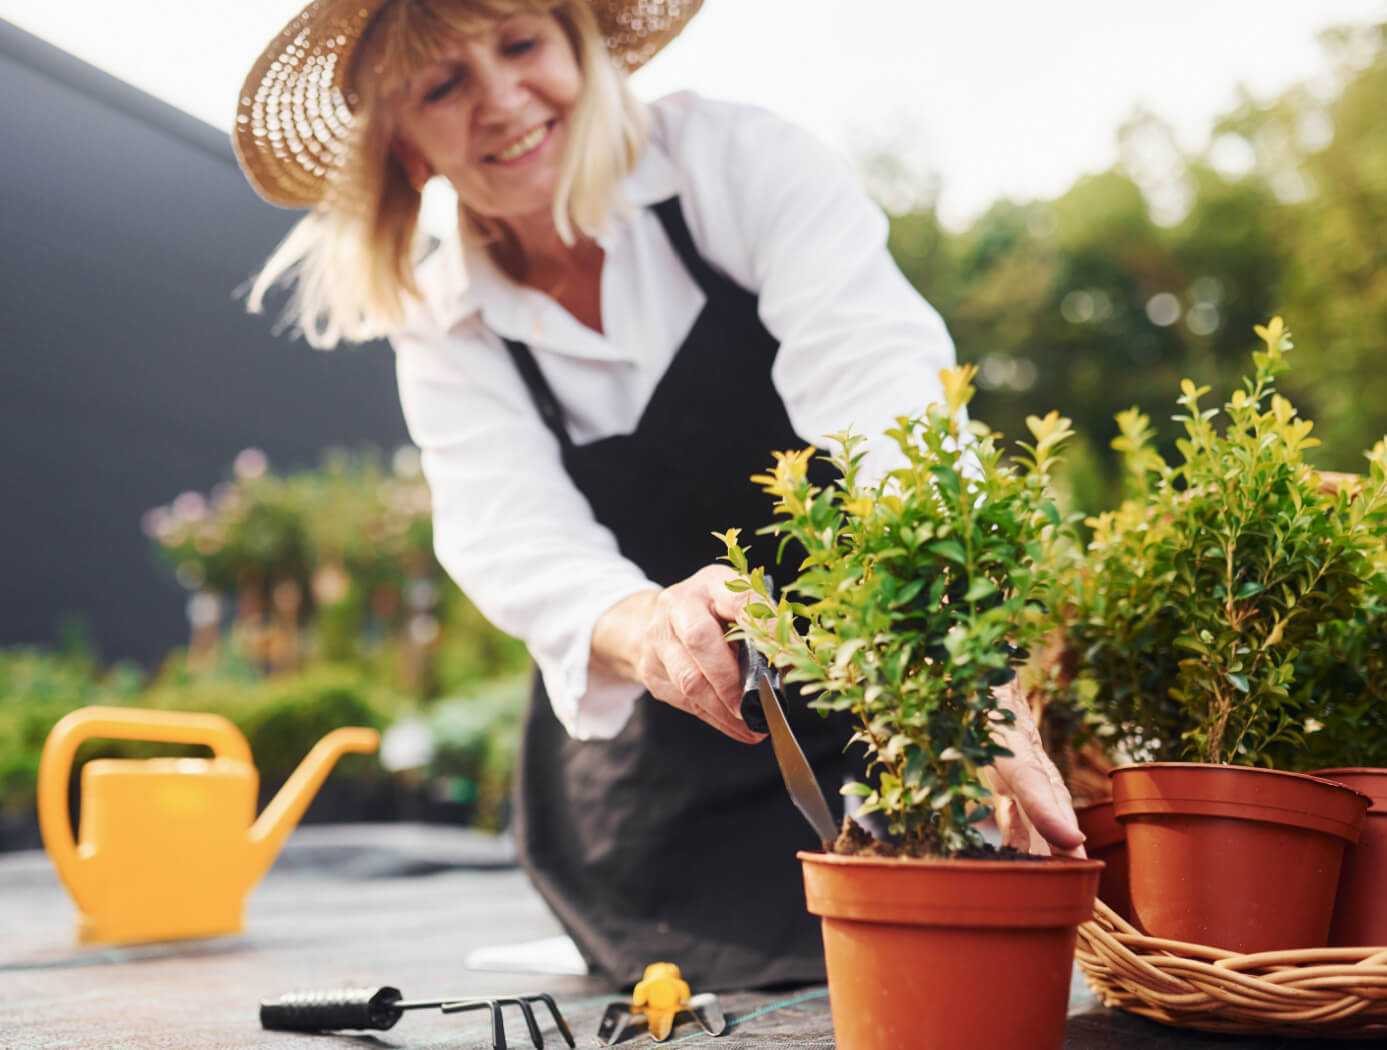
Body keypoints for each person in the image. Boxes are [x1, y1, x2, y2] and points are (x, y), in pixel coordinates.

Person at [233, 0, 1084, 989]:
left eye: (518, 45)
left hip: (883, 711)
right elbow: (509, 534)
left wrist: (966, 686)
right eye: (442, 85)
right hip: (658, 796)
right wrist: (646, 624)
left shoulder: (739, 165)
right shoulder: (444, 325)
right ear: (404, 144)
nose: (502, 99)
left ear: (578, 47)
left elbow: (885, 402)